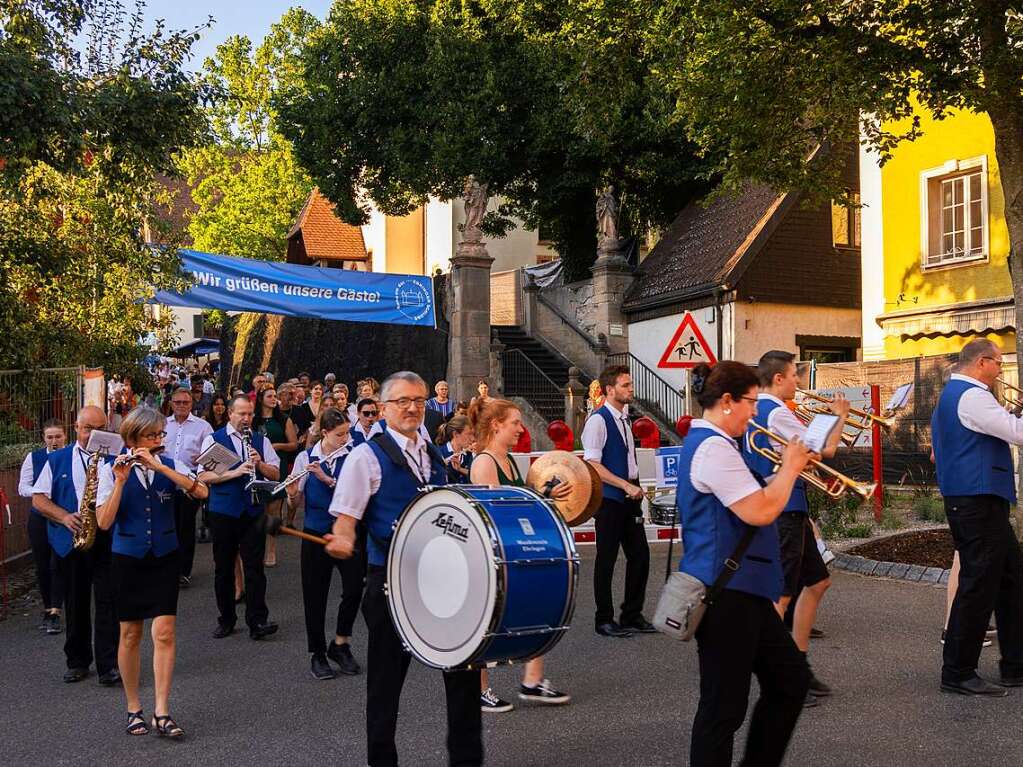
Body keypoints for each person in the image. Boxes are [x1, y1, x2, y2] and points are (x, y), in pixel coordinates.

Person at [325, 371, 482, 767]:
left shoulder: (431, 455)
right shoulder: (365, 456)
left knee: (462, 676)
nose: (413, 408)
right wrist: (344, 536)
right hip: (391, 585)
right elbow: (346, 516)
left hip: (442, 583)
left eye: (420, 400)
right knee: (384, 687)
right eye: (402, 401)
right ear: (382, 408)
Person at [678, 361, 812, 767]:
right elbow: (761, 510)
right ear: (727, 401)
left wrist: (782, 472)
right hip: (726, 594)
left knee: (790, 681)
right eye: (751, 403)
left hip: (744, 590)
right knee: (723, 708)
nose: (756, 412)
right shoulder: (712, 447)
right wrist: (789, 468)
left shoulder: (720, 445)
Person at [96, 408, 209, 739]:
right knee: (130, 633)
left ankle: (162, 709)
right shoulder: (109, 469)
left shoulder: (170, 464)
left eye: (161, 435)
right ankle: (134, 708)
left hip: (164, 555)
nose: (160, 440)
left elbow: (201, 491)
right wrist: (119, 480)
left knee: (164, 632)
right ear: (133, 438)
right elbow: (104, 522)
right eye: (153, 436)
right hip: (128, 558)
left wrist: (160, 466)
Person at [745, 350, 849, 706]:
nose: (799, 383)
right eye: (794, 376)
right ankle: (779, 679)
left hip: (789, 506)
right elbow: (823, 451)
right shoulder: (774, 412)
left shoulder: (756, 408)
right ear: (777, 379)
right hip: (784, 507)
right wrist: (839, 417)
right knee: (782, 596)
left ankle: (797, 666)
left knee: (818, 581)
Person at [932, 338, 1023, 695]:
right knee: (977, 586)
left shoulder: (957, 394)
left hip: (978, 499)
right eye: (999, 364)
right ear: (983, 362)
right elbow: (1017, 433)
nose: (1001, 371)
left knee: (1012, 580)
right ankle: (957, 672)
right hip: (976, 501)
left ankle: (1015, 664)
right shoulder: (972, 395)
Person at [468, 398, 572, 712]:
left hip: (513, 550)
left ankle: (532, 681)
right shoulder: (484, 462)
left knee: (539, 608)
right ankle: (480, 689)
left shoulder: (511, 460)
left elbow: (522, 502)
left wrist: (545, 495)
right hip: (494, 554)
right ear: (496, 425)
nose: (520, 428)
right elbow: (498, 514)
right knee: (486, 619)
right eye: (514, 422)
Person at [31, 406, 120, 685]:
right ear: (76, 427)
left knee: (108, 602)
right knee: (75, 601)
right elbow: (38, 499)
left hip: (106, 538)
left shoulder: (115, 458)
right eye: (88, 429)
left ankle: (109, 665)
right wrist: (64, 516)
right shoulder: (56, 459)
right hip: (72, 539)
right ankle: (78, 660)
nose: (93, 434)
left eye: (100, 428)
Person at [285, 408, 363, 680]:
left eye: (347, 433)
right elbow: (294, 501)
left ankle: (340, 643)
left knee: (354, 588)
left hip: (345, 534)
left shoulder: (353, 456)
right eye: (340, 434)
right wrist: (292, 495)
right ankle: (317, 654)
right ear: (325, 433)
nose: (346, 438)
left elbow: (357, 491)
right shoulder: (305, 458)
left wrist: (326, 478)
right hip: (315, 534)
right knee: (314, 596)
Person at [198, 395, 281, 641]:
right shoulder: (214, 439)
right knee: (223, 568)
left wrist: (260, 464)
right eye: (241, 414)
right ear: (230, 414)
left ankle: (258, 620)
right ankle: (226, 619)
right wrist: (234, 472)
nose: (246, 419)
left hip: (252, 510)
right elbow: (203, 476)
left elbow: (275, 472)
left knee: (254, 568)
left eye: (249, 414)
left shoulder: (260, 439)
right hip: (223, 511)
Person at [582, 365, 652, 638]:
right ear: (610, 390)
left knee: (640, 556)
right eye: (625, 385)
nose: (631, 389)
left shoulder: (625, 418)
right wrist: (624, 484)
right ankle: (604, 619)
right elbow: (592, 465)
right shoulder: (598, 421)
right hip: (610, 499)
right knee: (606, 559)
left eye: (630, 384)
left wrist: (633, 484)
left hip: (629, 495)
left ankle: (631, 615)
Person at [18, 418, 67, 634]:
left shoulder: (70, 456)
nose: (54, 441)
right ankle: (48, 607)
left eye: (58, 436)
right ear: (43, 438)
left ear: (65, 436)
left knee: (59, 562)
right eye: (50, 437)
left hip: (63, 516)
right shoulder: (34, 457)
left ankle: (56, 610)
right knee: (42, 564)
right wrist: (40, 493)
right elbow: (22, 487)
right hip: (39, 516)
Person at [164, 387, 214, 588]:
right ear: (171, 404)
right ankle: (167, 568)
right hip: (165, 482)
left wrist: (201, 459)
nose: (181, 406)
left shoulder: (203, 427)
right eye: (177, 402)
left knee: (185, 527)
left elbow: (212, 455)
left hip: (190, 483)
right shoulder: (162, 424)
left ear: (191, 404)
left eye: (185, 403)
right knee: (167, 525)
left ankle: (183, 571)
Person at [253, 386, 299, 567]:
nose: (274, 399)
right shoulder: (254, 420)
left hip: (277, 466)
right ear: (261, 399)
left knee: (274, 511)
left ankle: (271, 550)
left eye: (275, 396)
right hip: (257, 468)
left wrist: (277, 446)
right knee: (258, 510)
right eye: (270, 396)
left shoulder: (283, 419)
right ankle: (257, 547)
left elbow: (294, 444)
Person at [437, 415, 473, 483]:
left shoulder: (471, 454)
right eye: (469, 434)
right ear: (456, 434)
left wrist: (460, 469)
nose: (472, 439)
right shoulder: (439, 453)